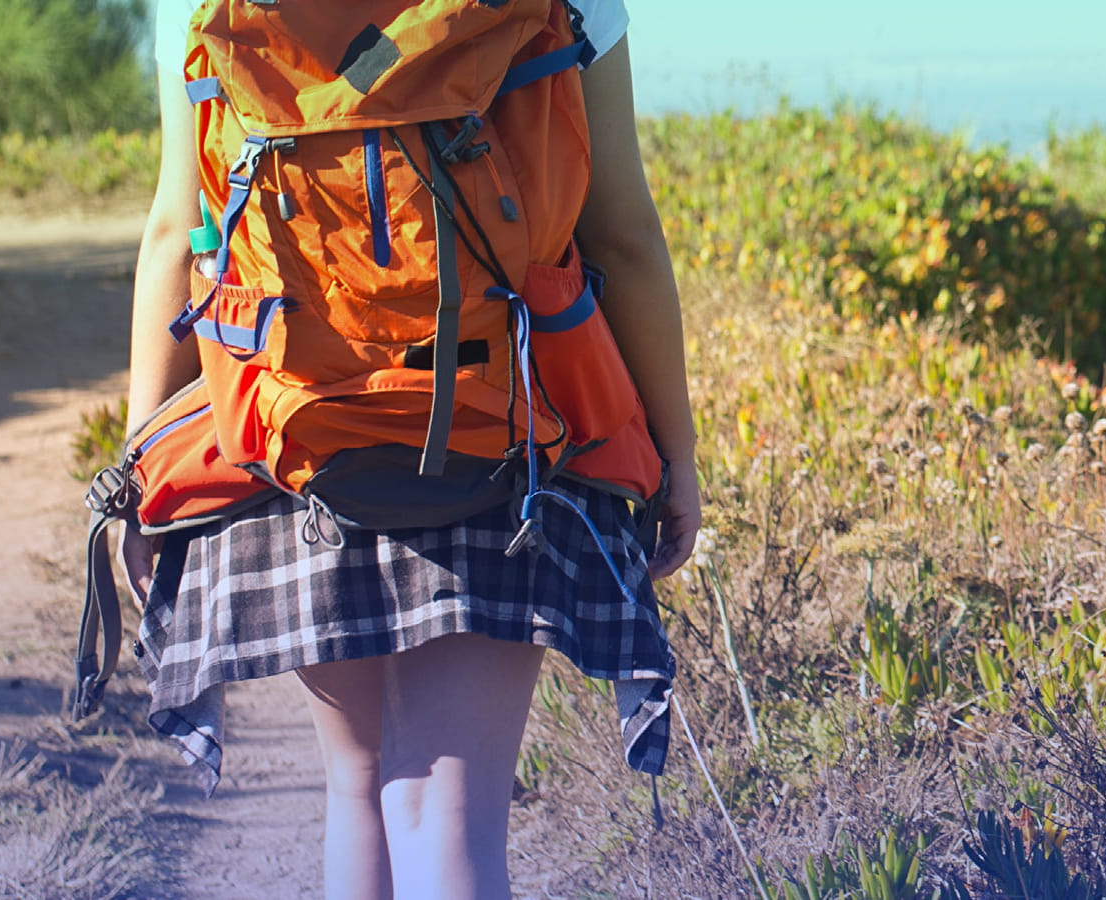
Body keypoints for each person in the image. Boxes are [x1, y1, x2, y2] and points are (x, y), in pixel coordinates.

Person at [120, 1, 700, 896]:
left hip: (289, 430)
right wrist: (677, 455)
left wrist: (144, 473)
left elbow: (175, 229)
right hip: (508, 440)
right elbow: (620, 232)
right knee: (446, 808)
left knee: (358, 790)